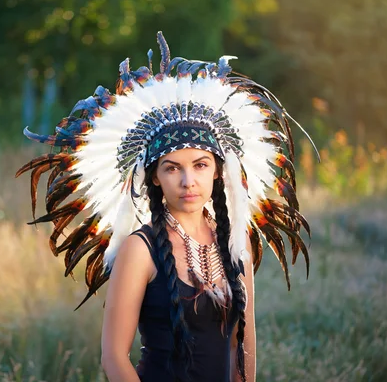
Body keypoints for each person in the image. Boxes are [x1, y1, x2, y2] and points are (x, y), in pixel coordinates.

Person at [16, 31, 316, 382]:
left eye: (200, 165)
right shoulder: (139, 249)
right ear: (155, 177)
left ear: (218, 171)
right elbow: (113, 356)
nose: (188, 181)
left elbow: (244, 344)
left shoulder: (237, 243)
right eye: (172, 168)